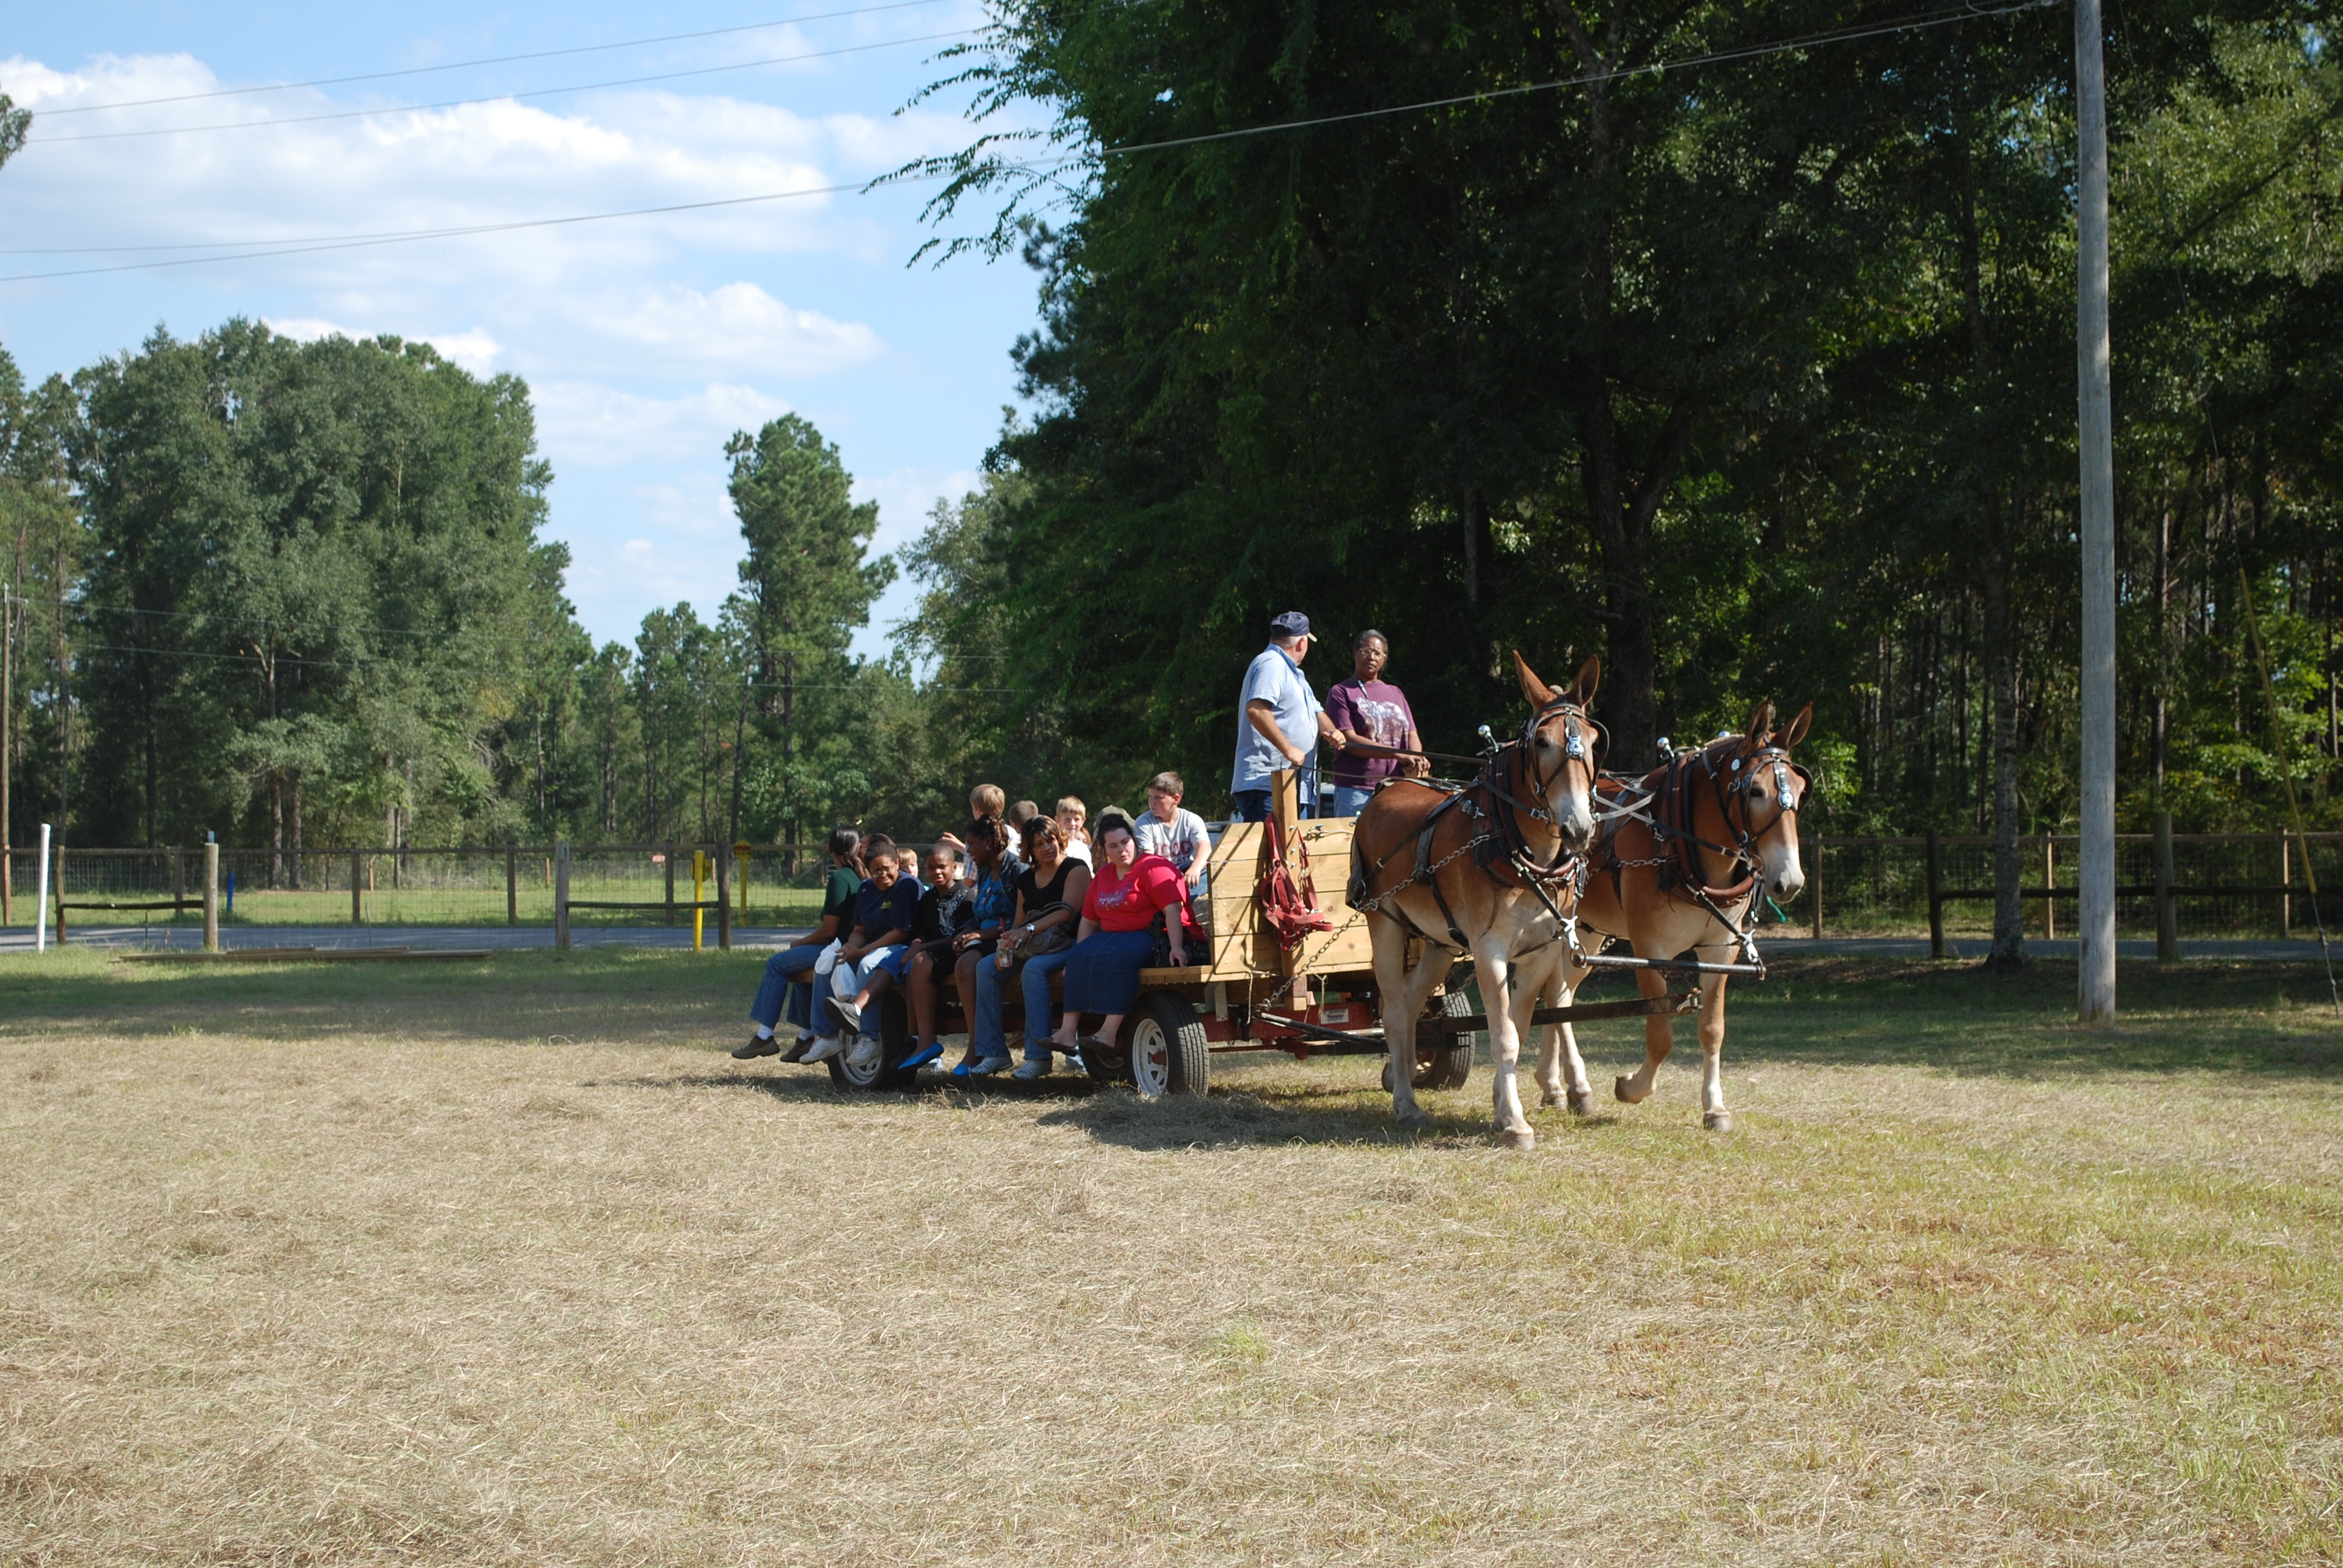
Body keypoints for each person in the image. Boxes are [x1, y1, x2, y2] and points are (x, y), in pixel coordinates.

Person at [1037, 818, 1189, 1074]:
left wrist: (1177, 947)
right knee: (1075, 957)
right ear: (1104, 850)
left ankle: (1108, 1033)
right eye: (1113, 846)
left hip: (1148, 935)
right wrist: (1081, 959)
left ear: (1134, 840)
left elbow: (1173, 910)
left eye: (1125, 842)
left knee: (1121, 959)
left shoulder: (1153, 868)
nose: (1122, 850)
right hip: (1111, 937)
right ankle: (1067, 1032)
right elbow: (1088, 920)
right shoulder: (1104, 875)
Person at [964, 815, 1089, 1080]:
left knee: (1034, 969)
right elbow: (1018, 923)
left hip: (1070, 943)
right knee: (986, 968)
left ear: (1060, 840)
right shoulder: (1026, 878)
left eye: (1051, 840)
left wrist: (1029, 930)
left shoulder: (1075, 869)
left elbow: (1067, 913)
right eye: (1039, 844)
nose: (1047, 847)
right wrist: (1005, 949)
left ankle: (1038, 1057)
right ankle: (994, 1052)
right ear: (1030, 850)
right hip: (1034, 945)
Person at [827, 845, 974, 1067]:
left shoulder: (967, 896)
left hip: (952, 953)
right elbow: (920, 932)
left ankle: (918, 1039)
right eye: (932, 868)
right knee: (891, 965)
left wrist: (919, 948)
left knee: (911, 965)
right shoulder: (929, 897)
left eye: (942, 867)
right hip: (925, 952)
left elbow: (959, 936)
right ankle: (857, 1016)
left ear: (955, 867)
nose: (937, 872)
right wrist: (916, 945)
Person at [735, 827, 863, 1060]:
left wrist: (800, 943)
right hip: (847, 947)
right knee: (803, 976)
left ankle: (765, 1037)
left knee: (777, 964)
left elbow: (828, 931)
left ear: (829, 849)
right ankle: (805, 1038)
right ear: (858, 849)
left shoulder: (839, 878)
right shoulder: (859, 876)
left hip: (835, 948)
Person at [920, 814, 1021, 1072]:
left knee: (968, 966)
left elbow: (1020, 919)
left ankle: (979, 1048)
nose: (967, 850)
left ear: (989, 842)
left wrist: (981, 936)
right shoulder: (986, 870)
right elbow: (980, 912)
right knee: (953, 961)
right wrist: (965, 932)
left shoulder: (1016, 871)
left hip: (1009, 940)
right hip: (984, 936)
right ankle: (976, 1046)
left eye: (971, 844)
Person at [806, 838, 919, 1068]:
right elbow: (860, 930)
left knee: (868, 964)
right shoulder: (866, 889)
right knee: (828, 961)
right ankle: (825, 1036)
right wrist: (849, 947)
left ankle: (869, 1037)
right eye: (875, 872)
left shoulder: (907, 886)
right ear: (868, 871)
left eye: (886, 869)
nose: (882, 876)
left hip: (902, 947)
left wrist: (862, 951)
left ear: (897, 863)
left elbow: (899, 933)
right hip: (868, 946)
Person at [1229, 610, 1346, 822]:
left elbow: (1317, 711)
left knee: (1287, 855)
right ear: (1302, 644)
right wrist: (1288, 749)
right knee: (1274, 855)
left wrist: (1333, 731)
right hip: (1268, 783)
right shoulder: (1271, 664)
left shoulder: (1295, 674)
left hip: (1289, 785)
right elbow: (1256, 709)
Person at [1324, 628, 1427, 817]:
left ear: (1384, 659)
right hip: (1357, 788)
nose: (1372, 657)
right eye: (1366, 651)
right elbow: (1348, 739)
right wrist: (1399, 755)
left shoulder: (1395, 692)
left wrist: (1415, 758)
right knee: (1352, 843)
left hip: (1397, 788)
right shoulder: (1342, 692)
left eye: (1378, 653)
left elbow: (1411, 733)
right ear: (1355, 653)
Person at [1135, 771, 1211, 891]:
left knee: (1211, 870)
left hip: (1186, 871)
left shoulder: (1191, 819)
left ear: (1176, 799)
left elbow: (1205, 847)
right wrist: (1171, 875)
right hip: (1158, 873)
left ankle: (1191, 899)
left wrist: (1195, 868)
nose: (1151, 802)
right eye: (1150, 797)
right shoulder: (1144, 822)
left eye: (1158, 798)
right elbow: (1147, 858)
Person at [1055, 796, 1093, 866]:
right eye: (1067, 819)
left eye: (1077, 820)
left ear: (1083, 821)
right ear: (1058, 820)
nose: (1072, 823)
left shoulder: (1083, 849)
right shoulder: (1055, 846)